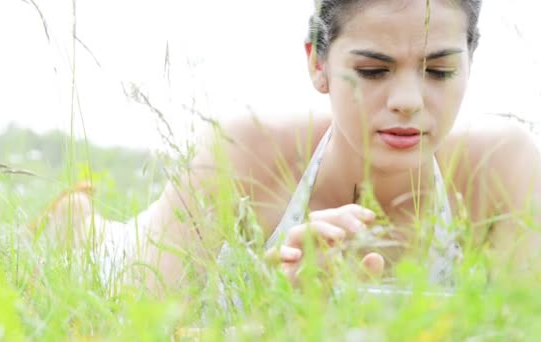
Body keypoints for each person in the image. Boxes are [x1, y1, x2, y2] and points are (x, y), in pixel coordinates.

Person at [39, 0, 541, 295]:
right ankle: (76, 219)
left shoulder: (505, 166)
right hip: (128, 256)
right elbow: (151, 317)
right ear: (317, 66)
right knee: (98, 247)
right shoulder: (246, 149)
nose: (409, 101)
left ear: (470, 61)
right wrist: (276, 302)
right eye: (372, 71)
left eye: (439, 71)